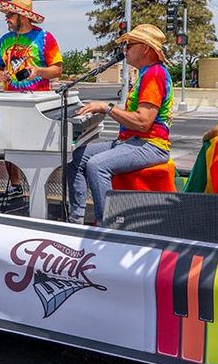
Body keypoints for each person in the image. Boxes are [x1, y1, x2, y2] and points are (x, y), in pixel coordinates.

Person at [67, 24, 172, 224]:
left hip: (151, 145)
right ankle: (76, 219)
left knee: (97, 165)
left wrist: (106, 108)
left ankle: (108, 225)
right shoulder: (145, 73)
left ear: (145, 48)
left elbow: (143, 122)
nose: (125, 50)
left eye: (129, 45)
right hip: (131, 141)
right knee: (76, 157)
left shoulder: (154, 75)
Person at [0, 0, 63, 198]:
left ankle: (39, 191)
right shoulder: (4, 40)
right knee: (8, 144)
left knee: (35, 148)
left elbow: (57, 69)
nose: (6, 19)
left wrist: (38, 71)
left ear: (22, 17)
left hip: (37, 104)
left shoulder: (45, 38)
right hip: (10, 101)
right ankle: (15, 186)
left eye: (10, 15)